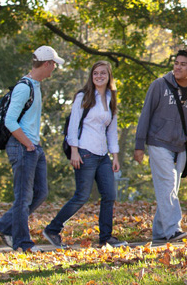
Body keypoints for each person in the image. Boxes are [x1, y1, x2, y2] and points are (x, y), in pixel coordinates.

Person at [43, 60, 128, 248]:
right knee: (82, 196)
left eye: (103, 73)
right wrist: (74, 151)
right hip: (85, 152)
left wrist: (114, 156)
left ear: (108, 76)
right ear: (92, 76)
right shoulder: (83, 96)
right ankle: (53, 229)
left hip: (102, 155)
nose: (99, 76)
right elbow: (73, 125)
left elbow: (112, 130)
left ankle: (106, 237)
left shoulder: (110, 98)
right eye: (96, 73)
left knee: (109, 195)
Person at [0, 45, 65, 253]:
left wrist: (34, 145)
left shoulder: (35, 85)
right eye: (54, 65)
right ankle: (22, 243)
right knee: (23, 198)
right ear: (48, 64)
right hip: (23, 147)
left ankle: (4, 225)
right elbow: (10, 121)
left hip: (33, 147)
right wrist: (28, 144)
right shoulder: (24, 87)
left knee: (40, 193)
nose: (54, 70)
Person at [134, 48, 187, 243]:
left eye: (183, 64)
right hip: (158, 143)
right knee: (167, 187)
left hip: (181, 148)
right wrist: (139, 145)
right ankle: (173, 229)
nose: (178, 67)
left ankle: (159, 232)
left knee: (170, 190)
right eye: (176, 63)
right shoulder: (159, 86)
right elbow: (145, 114)